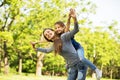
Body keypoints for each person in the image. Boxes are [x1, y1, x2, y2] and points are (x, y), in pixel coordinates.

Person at [31, 9, 87, 80]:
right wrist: (35, 48)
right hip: (72, 67)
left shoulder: (64, 36)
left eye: (48, 31)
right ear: (48, 38)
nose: (47, 34)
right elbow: (47, 50)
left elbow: (76, 29)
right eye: (46, 35)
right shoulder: (54, 45)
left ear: (53, 31)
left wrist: (74, 18)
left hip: (80, 63)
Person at [54, 9, 102, 80]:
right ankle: (69, 64)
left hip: (78, 48)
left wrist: (69, 18)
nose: (57, 29)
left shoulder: (66, 34)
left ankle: (96, 70)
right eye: (56, 28)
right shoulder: (59, 38)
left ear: (63, 27)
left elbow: (67, 27)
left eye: (59, 27)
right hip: (73, 55)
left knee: (81, 58)